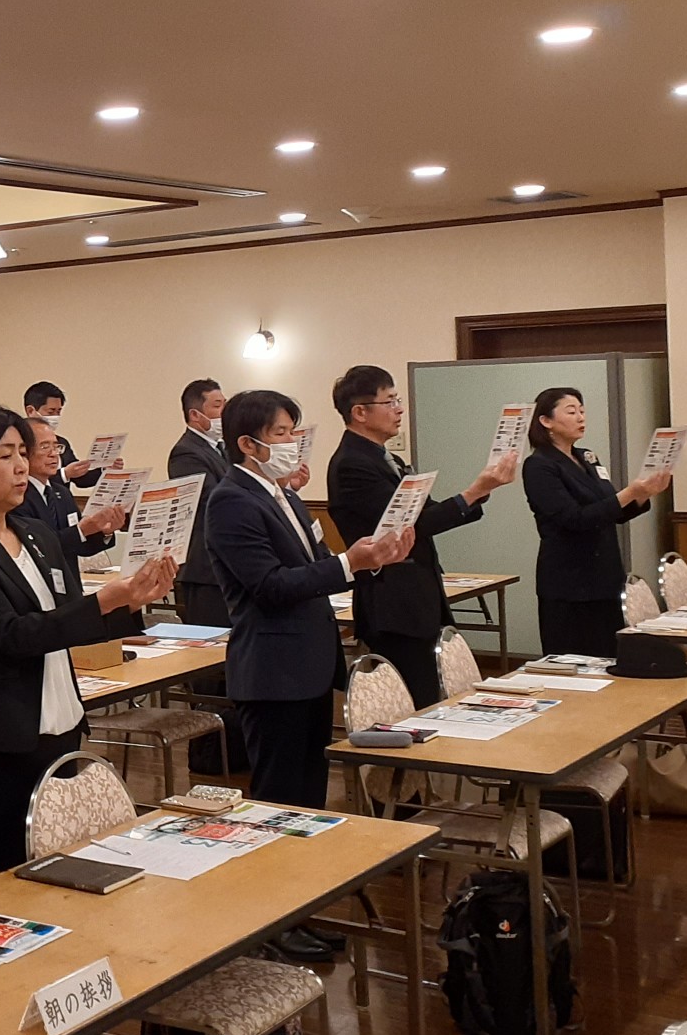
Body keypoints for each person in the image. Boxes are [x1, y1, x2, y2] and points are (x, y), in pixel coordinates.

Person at [0, 402, 175, 1035]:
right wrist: (108, 600)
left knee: (64, 913)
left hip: (57, 735)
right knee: (3, 919)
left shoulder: (36, 532)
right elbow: (12, 635)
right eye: (5, 455)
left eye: (22, 452)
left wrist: (132, 599)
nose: (21, 465)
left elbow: (68, 618)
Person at [205, 389, 410, 960]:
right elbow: (269, 586)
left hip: (310, 664)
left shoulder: (283, 495)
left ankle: (299, 911)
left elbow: (315, 569)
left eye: (294, 431)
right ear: (248, 444)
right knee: (276, 806)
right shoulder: (231, 500)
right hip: (271, 671)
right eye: (281, 434)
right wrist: (349, 562)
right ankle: (269, 926)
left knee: (307, 805)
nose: (293, 443)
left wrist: (370, 560)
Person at [324, 365, 516, 706]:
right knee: (413, 704)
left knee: (431, 696)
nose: (399, 409)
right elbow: (404, 528)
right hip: (393, 603)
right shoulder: (352, 464)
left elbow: (428, 512)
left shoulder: (389, 459)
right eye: (389, 401)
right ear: (360, 413)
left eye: (398, 400)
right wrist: (473, 491)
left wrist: (481, 491)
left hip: (417, 598)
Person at [523, 386, 668, 656]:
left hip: (605, 575)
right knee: (574, 661)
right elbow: (574, 519)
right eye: (571, 412)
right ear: (546, 421)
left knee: (609, 657)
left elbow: (613, 510)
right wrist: (630, 492)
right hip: (569, 581)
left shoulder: (587, 457)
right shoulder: (539, 465)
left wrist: (644, 494)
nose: (581, 417)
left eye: (582, 411)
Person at [167, 379, 232, 627]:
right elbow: (211, 501)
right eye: (217, 405)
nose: (224, 411)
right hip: (206, 568)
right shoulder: (186, 452)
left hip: (228, 563)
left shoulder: (223, 448)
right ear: (195, 414)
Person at [19, 417, 126, 567]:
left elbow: (80, 546)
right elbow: (38, 548)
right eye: (44, 446)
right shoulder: (17, 496)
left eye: (56, 447)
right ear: (23, 452)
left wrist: (104, 531)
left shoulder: (62, 493)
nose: (53, 454)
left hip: (69, 578)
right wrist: (80, 530)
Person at [23, 380, 103, 489]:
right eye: (51, 412)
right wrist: (64, 474)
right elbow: (27, 479)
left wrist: (104, 469)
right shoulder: (19, 442)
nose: (55, 416)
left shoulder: (62, 442)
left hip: (61, 499)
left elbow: (81, 479)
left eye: (58, 411)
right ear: (30, 411)